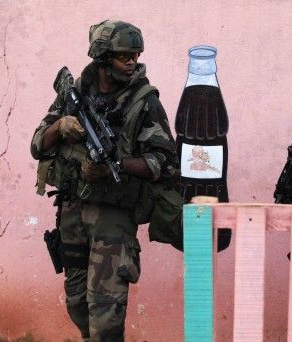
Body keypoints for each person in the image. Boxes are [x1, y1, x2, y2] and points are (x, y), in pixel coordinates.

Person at [30, 20, 178, 341]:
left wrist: (120, 164)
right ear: (102, 56)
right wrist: (61, 126)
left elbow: (166, 162)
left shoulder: (144, 100)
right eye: (124, 55)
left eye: (136, 55)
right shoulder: (76, 93)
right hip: (72, 213)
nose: (132, 61)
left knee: (106, 311)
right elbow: (37, 144)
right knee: (77, 303)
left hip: (113, 218)